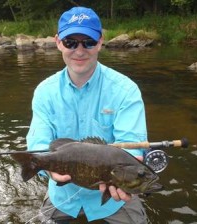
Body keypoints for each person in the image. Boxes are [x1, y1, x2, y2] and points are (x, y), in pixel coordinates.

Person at [27, 6, 148, 224]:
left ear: (100, 41)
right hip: (63, 196)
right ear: (57, 42)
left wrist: (132, 175)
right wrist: (48, 170)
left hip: (114, 196)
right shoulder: (44, 92)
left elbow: (131, 144)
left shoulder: (126, 90)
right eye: (70, 42)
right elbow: (39, 142)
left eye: (88, 42)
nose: (79, 50)